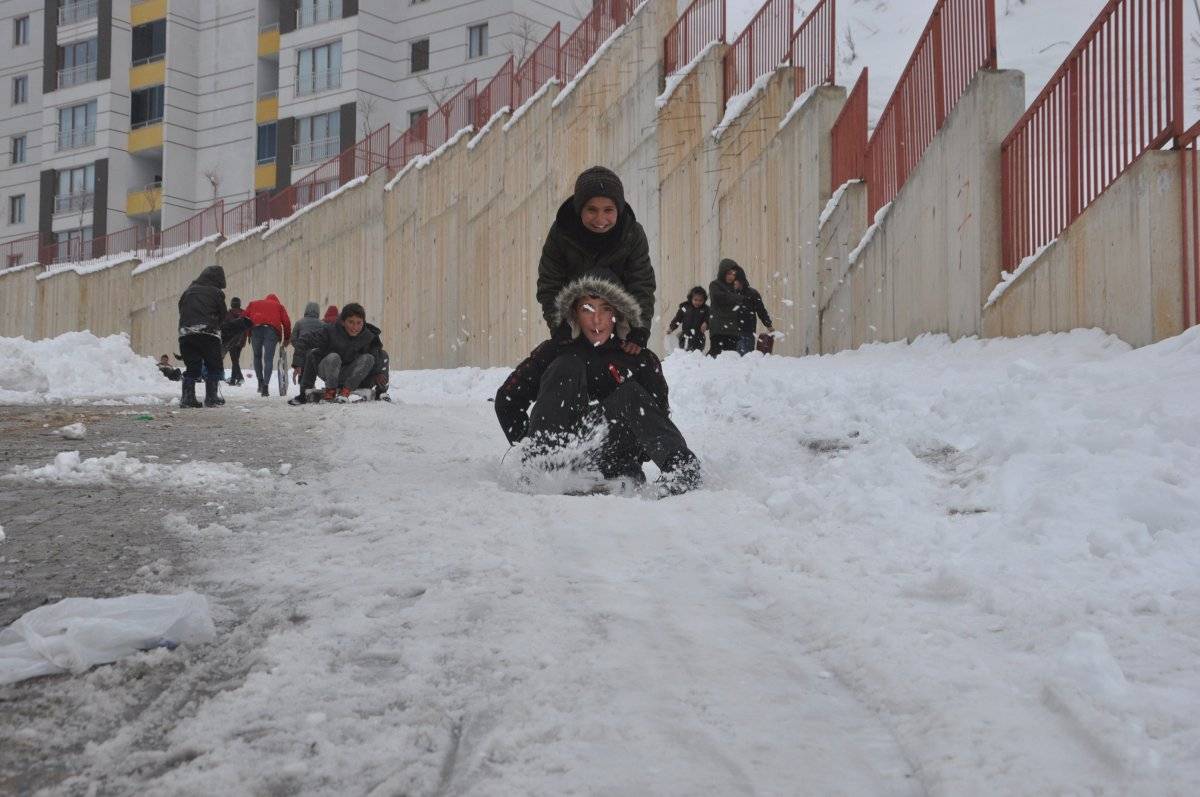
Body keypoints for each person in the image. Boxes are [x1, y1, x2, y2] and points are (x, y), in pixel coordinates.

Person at [495, 276, 701, 495]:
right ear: (574, 313)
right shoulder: (556, 350)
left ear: (618, 313)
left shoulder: (637, 357)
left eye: (605, 309)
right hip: (559, 456)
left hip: (612, 457)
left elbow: (657, 416)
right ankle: (542, 464)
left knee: (630, 392)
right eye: (587, 309)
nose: (597, 320)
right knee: (567, 365)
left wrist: (632, 456)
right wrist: (527, 444)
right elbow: (508, 399)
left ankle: (681, 470)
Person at [537, 166, 655, 355]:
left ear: (619, 209)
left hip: (618, 319)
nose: (600, 219)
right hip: (577, 320)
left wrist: (639, 328)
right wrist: (559, 325)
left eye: (608, 210)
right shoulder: (562, 233)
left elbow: (641, 282)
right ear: (579, 209)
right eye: (591, 210)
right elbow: (549, 283)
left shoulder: (632, 233)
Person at [291, 303, 389, 404]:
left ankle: (377, 392)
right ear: (343, 322)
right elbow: (304, 341)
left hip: (352, 376)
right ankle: (329, 391)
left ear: (363, 322)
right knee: (330, 356)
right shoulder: (330, 331)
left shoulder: (369, 336)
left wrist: (378, 372)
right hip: (330, 372)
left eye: (359, 323)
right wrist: (298, 364)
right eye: (351, 322)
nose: (355, 327)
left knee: (380, 355)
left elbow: (377, 355)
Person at [176, 264, 227, 408]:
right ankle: (211, 398)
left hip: (186, 333)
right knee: (213, 366)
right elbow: (223, 314)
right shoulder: (216, 293)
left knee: (192, 366)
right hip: (208, 333)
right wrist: (216, 324)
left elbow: (181, 308)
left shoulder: (188, 291)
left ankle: (187, 398)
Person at [708, 258, 774, 357]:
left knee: (741, 358)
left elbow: (761, 310)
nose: (733, 280)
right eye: (730, 274)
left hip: (745, 330)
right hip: (728, 330)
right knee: (723, 356)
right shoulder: (721, 287)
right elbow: (717, 303)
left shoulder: (751, 293)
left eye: (735, 277)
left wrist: (768, 324)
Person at [242, 293, 291, 396]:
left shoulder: (253, 304)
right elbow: (286, 322)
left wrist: (246, 333)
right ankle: (265, 387)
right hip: (271, 331)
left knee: (257, 356)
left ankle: (260, 381)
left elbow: (243, 318)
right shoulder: (279, 306)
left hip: (256, 329)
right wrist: (287, 338)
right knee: (268, 359)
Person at [666, 286, 710, 352]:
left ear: (704, 300)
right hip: (685, 336)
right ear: (691, 299)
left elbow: (709, 319)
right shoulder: (685, 308)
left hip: (699, 337)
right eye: (695, 300)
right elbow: (677, 319)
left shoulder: (705, 309)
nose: (697, 302)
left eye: (700, 300)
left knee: (696, 354)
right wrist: (671, 328)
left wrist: (706, 323)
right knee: (684, 353)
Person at [289, 301, 324, 383]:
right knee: (312, 370)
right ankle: (309, 385)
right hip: (316, 352)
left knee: (303, 370)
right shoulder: (322, 324)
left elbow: (293, 338)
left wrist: (299, 347)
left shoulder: (299, 323)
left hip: (302, 353)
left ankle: (303, 386)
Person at [224, 297, 247, 385]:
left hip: (231, 340)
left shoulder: (227, 314)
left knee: (234, 360)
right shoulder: (244, 313)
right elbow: (246, 328)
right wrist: (245, 339)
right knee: (235, 360)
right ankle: (233, 380)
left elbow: (225, 327)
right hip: (241, 340)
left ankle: (240, 378)